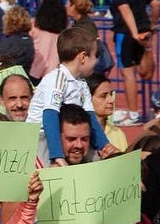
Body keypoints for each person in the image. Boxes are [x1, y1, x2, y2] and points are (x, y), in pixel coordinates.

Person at [26, 27, 117, 167]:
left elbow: (89, 116)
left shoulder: (81, 83)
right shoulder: (57, 79)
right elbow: (50, 116)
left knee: (102, 163)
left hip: (66, 136)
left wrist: (104, 145)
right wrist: (57, 155)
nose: (96, 62)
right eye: (94, 56)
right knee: (50, 174)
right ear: (82, 57)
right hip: (41, 137)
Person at [106, 0, 159, 125]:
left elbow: (125, 10)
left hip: (126, 32)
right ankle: (134, 112)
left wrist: (134, 32)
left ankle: (134, 114)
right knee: (145, 73)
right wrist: (152, 25)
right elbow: (156, 3)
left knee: (128, 74)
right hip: (144, 30)